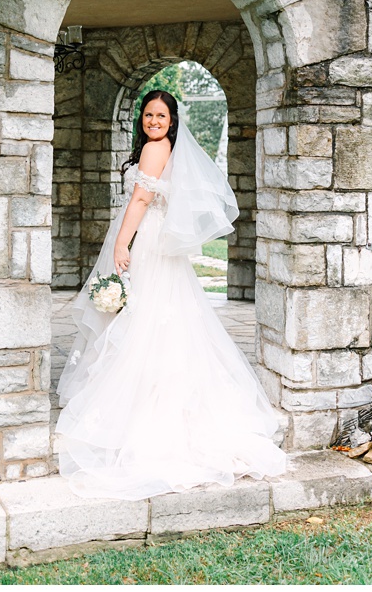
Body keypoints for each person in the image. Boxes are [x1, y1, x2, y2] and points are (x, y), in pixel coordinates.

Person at [55, 90, 286, 500]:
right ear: (141, 118)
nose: (154, 121)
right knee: (159, 317)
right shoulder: (161, 149)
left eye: (161, 115)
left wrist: (121, 243)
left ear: (172, 121)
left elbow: (142, 198)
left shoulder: (156, 149)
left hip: (148, 244)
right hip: (158, 242)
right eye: (148, 114)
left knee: (142, 318)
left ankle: (142, 413)